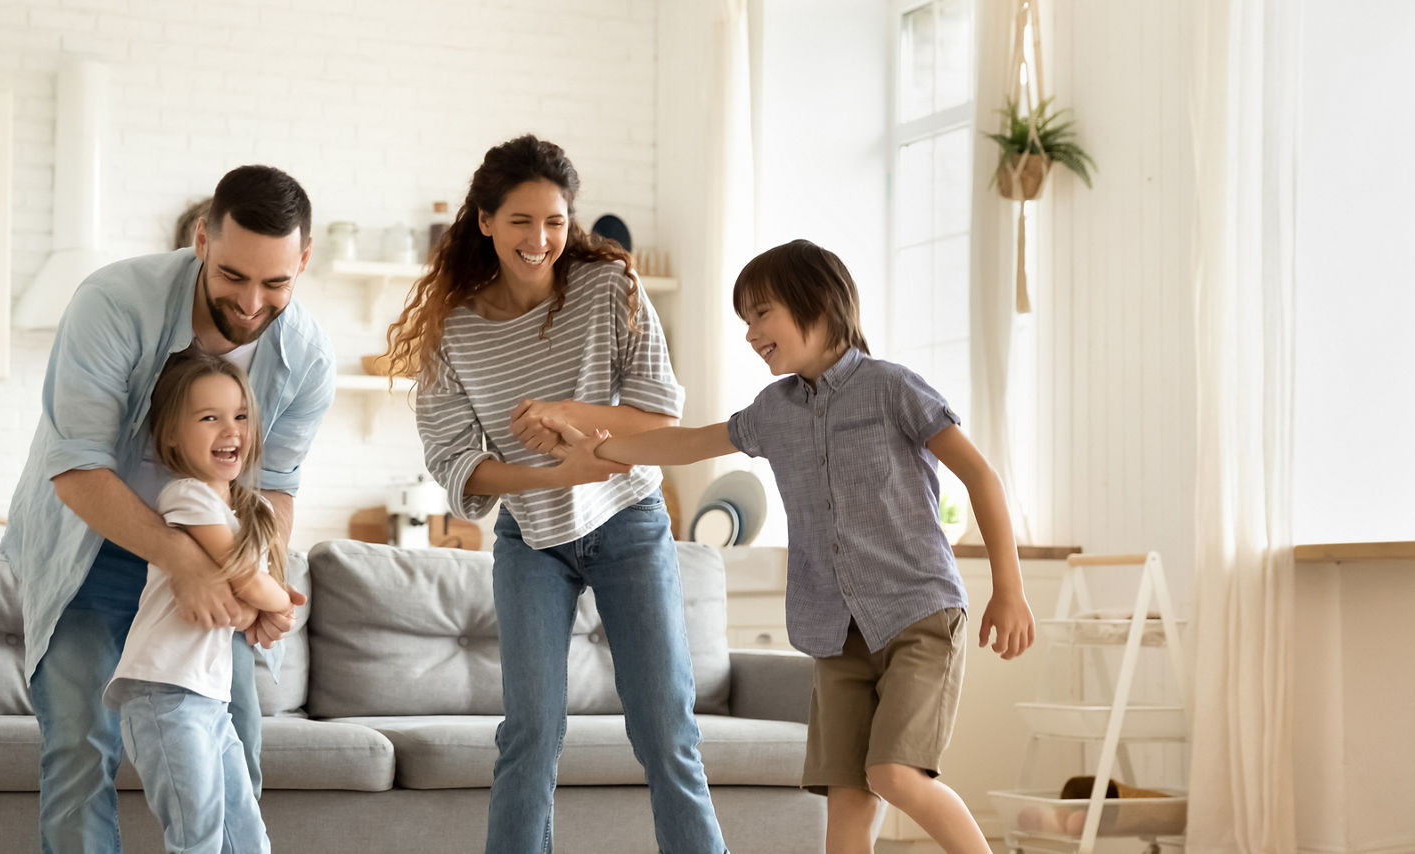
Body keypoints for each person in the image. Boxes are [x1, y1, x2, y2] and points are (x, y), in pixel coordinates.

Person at [552, 239, 1036, 854]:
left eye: (762, 313)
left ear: (821, 304)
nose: (751, 333)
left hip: (918, 615)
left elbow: (981, 476)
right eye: (745, 319)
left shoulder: (892, 388)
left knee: (894, 774)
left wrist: (1009, 590)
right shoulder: (773, 411)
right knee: (847, 802)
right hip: (834, 633)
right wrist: (598, 450)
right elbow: (690, 443)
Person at [383, 134, 728, 854]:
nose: (539, 240)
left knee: (665, 729)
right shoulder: (453, 331)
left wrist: (570, 414)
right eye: (520, 221)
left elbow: (660, 416)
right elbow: (455, 464)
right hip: (532, 538)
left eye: (555, 221)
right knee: (531, 733)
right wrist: (552, 475)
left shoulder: (610, 289)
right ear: (485, 221)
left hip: (628, 521)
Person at [2, 165, 335, 854]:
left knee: (235, 748)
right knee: (80, 747)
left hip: (218, 552)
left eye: (275, 282)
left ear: (304, 260)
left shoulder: (306, 356)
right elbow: (78, 468)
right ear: (202, 241)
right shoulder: (114, 303)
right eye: (234, 275)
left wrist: (259, 584)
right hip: (93, 549)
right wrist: (186, 563)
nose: (251, 303)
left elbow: (275, 490)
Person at [107, 349, 288, 854]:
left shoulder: (250, 509)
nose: (230, 430)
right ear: (171, 435)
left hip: (211, 699)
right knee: (198, 840)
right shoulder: (186, 496)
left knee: (248, 841)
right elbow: (247, 581)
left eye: (240, 416)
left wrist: (264, 601)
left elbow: (249, 596)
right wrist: (275, 602)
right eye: (209, 418)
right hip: (164, 693)